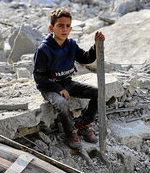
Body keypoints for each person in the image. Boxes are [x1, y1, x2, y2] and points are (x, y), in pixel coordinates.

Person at [33, 8, 105, 150]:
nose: (64, 29)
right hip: (49, 87)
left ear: (71, 28)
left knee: (98, 93)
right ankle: (70, 132)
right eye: (60, 25)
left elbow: (86, 58)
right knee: (62, 102)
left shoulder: (71, 45)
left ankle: (83, 125)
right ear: (51, 27)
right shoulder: (43, 50)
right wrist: (58, 88)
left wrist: (95, 46)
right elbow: (39, 77)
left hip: (67, 83)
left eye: (67, 26)